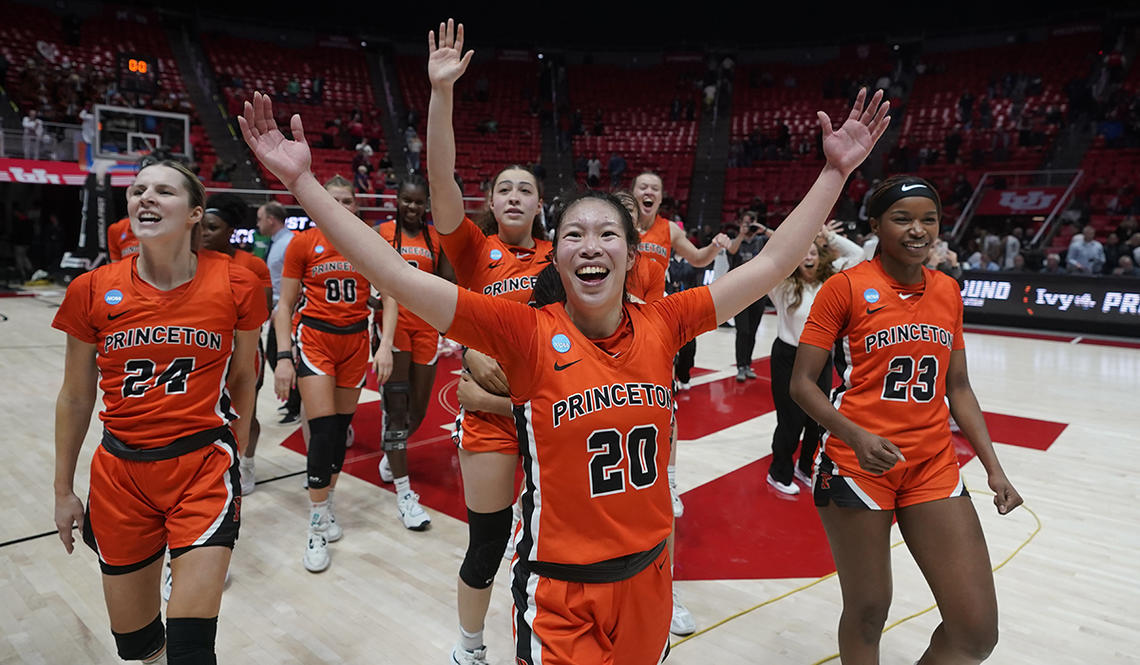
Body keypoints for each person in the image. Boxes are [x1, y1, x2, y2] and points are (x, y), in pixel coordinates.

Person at [241, 57, 889, 665]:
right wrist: (300, 181)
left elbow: (773, 263)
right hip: (561, 590)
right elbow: (391, 270)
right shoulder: (524, 329)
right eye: (574, 232)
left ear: (633, 255)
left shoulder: (666, 320)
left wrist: (834, 173)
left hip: (649, 576)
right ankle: (470, 640)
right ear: (558, 258)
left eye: (607, 231)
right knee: (488, 537)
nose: (590, 243)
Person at [791, 175, 1023, 665]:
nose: (918, 230)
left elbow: (957, 387)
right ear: (875, 225)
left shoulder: (948, 291)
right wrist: (855, 435)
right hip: (856, 466)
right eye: (902, 219)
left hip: (932, 463)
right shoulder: (844, 288)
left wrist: (994, 468)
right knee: (869, 609)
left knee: (976, 630)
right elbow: (802, 384)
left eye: (928, 219)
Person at [53, 160, 266, 664]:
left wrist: (234, 447)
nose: (146, 198)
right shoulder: (91, 289)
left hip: (202, 468)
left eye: (163, 191)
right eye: (138, 190)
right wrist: (63, 490)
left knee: (192, 649)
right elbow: (75, 396)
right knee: (138, 646)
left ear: (196, 213)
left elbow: (242, 376)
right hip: (120, 475)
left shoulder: (238, 284)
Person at [424, 28, 554, 663]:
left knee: (561, 540)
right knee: (488, 541)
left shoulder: (564, 259)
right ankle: (470, 645)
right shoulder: (476, 251)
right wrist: (442, 93)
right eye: (503, 189)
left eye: (524, 190)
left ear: (539, 203)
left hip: (554, 412)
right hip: (493, 422)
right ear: (491, 202)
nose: (512, 197)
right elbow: (440, 177)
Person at [629, 166, 727, 635]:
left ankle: (667, 477)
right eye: (641, 188)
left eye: (655, 188)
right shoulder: (614, 228)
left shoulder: (669, 230)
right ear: (630, 195)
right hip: (610, 328)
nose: (648, 193)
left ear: (661, 196)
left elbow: (698, 257)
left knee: (663, 406)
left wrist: (717, 248)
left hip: (657, 326)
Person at [274, 175, 371, 572]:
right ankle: (315, 526)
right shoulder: (303, 243)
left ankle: (327, 504)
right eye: (334, 200)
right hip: (316, 340)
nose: (342, 206)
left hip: (356, 341)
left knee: (341, 432)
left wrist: (385, 344)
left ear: (356, 205)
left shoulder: (367, 241)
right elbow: (284, 306)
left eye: (348, 200)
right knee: (325, 431)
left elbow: (391, 292)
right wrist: (283, 356)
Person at [373, 174, 452, 530]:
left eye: (418, 202)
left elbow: (448, 284)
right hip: (394, 326)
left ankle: (393, 444)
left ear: (426, 206)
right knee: (398, 407)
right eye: (407, 199)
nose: (412, 207)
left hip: (425, 329)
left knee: (417, 411)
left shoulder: (436, 239)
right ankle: (405, 494)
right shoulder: (383, 232)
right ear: (397, 200)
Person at [766, 220, 863, 495]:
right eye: (802, 253)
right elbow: (768, 259)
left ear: (820, 256)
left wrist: (829, 236)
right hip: (787, 356)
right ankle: (778, 471)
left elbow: (857, 256)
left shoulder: (831, 281)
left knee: (816, 418)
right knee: (790, 419)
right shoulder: (781, 285)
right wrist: (788, 239)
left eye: (812, 252)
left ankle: (804, 467)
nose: (807, 257)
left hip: (819, 357)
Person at [199, 192, 273, 495]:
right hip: (205, 351)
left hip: (243, 350)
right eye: (201, 226)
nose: (203, 232)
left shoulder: (252, 265)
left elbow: (263, 311)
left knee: (246, 412)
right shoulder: (189, 262)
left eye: (212, 227)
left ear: (231, 231)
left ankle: (247, 462)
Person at [257, 201, 301, 423]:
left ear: (271, 219)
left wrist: (288, 309)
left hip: (286, 311)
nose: (257, 224)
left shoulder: (289, 243)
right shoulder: (278, 242)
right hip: (277, 310)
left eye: (260, 218)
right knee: (275, 355)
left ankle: (297, 404)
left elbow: (298, 281)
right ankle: (294, 402)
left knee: (280, 355)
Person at [726, 212, 772, 382]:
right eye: (745, 223)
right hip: (739, 293)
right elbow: (732, 250)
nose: (749, 226)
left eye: (751, 223)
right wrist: (741, 234)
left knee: (752, 331)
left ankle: (747, 364)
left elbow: (779, 240)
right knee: (742, 330)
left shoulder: (760, 241)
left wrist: (763, 229)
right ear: (739, 224)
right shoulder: (736, 241)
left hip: (758, 292)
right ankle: (740, 366)